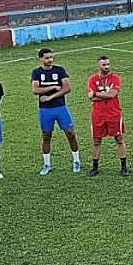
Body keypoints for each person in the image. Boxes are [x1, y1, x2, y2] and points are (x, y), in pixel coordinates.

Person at [32, 48, 82, 176]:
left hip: (60, 108)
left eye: (51, 57)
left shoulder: (59, 70)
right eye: (47, 58)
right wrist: (53, 87)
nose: (50, 60)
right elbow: (36, 90)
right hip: (45, 110)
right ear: (41, 59)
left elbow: (67, 88)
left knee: (70, 133)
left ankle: (76, 160)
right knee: (46, 136)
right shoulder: (37, 72)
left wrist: (50, 97)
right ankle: (47, 164)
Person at [86, 55, 128, 178]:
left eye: (108, 64)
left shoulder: (115, 78)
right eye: (104, 65)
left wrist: (96, 94)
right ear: (98, 65)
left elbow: (112, 94)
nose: (107, 67)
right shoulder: (92, 79)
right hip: (98, 115)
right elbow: (90, 97)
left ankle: (124, 166)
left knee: (119, 139)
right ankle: (95, 167)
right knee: (96, 141)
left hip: (113, 114)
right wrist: (104, 95)